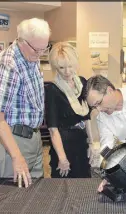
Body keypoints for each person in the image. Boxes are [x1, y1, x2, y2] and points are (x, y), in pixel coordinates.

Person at [0, 18, 51, 188]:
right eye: (36, 49)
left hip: (33, 136)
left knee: (36, 192)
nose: (40, 54)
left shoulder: (32, 56)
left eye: (44, 48)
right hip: (13, 139)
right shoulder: (7, 65)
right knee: (13, 197)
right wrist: (17, 156)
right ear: (21, 41)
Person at [45, 42, 93, 178]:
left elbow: (87, 117)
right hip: (63, 145)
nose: (67, 72)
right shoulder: (53, 89)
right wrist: (62, 158)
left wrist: (91, 143)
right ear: (55, 67)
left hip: (81, 143)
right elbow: (53, 129)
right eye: (61, 67)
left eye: (70, 66)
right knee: (63, 187)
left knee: (84, 184)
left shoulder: (82, 82)